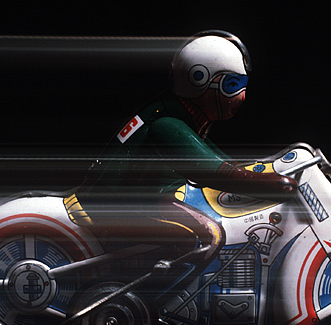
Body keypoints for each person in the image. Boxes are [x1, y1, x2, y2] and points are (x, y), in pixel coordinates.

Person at [74, 30, 297, 279]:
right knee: (207, 236)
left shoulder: (177, 113)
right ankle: (153, 299)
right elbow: (212, 171)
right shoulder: (167, 124)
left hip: (140, 199)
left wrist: (265, 169)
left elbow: (213, 157)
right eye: (232, 85)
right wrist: (270, 184)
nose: (242, 96)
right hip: (118, 207)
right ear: (198, 80)